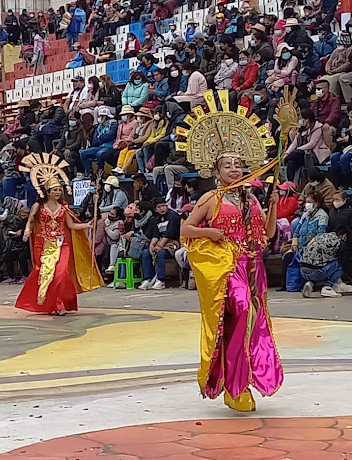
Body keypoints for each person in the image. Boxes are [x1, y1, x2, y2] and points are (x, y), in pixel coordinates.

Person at [181, 152, 283, 411]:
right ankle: (234, 385)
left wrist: (272, 206)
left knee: (253, 324)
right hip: (228, 267)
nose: (234, 169)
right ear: (217, 172)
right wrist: (209, 232)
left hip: (254, 267)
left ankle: (243, 382)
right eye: (227, 165)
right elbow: (186, 229)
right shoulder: (210, 199)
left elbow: (269, 234)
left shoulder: (251, 200)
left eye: (238, 165)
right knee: (242, 310)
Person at [16, 159, 103, 315]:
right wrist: (27, 230)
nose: (58, 192)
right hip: (42, 244)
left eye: (59, 190)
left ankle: (60, 303)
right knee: (43, 272)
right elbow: (30, 221)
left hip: (61, 244)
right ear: (47, 192)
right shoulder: (39, 206)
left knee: (61, 272)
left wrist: (87, 225)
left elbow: (71, 226)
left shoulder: (64, 208)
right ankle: (48, 303)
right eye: (55, 190)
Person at [139, 197, 181, 290]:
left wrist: (159, 246)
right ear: (155, 209)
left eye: (164, 206)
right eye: (159, 207)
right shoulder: (156, 218)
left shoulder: (172, 216)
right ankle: (148, 279)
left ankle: (160, 280)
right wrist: (152, 245)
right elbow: (155, 235)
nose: (162, 208)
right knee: (146, 253)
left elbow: (169, 234)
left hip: (172, 243)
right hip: (161, 242)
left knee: (161, 253)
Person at [300, 227, 350, 297]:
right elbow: (345, 262)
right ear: (344, 236)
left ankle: (310, 283)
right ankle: (327, 287)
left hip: (302, 270)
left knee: (321, 263)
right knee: (340, 264)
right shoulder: (338, 242)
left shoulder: (321, 236)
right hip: (316, 272)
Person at [80, 107, 118, 177]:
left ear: (105, 116)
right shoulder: (99, 126)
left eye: (101, 116)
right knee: (83, 153)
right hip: (99, 146)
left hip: (109, 146)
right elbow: (94, 140)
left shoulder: (113, 123)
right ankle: (90, 173)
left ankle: (100, 172)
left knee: (99, 154)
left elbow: (110, 136)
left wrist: (100, 138)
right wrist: (100, 139)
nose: (99, 118)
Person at [0, 205, 30, 284]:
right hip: (18, 245)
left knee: (22, 257)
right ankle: (11, 277)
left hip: (28, 246)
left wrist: (22, 232)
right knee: (7, 256)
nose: (23, 217)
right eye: (21, 215)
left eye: (25, 215)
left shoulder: (30, 222)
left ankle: (25, 276)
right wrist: (14, 234)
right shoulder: (18, 222)